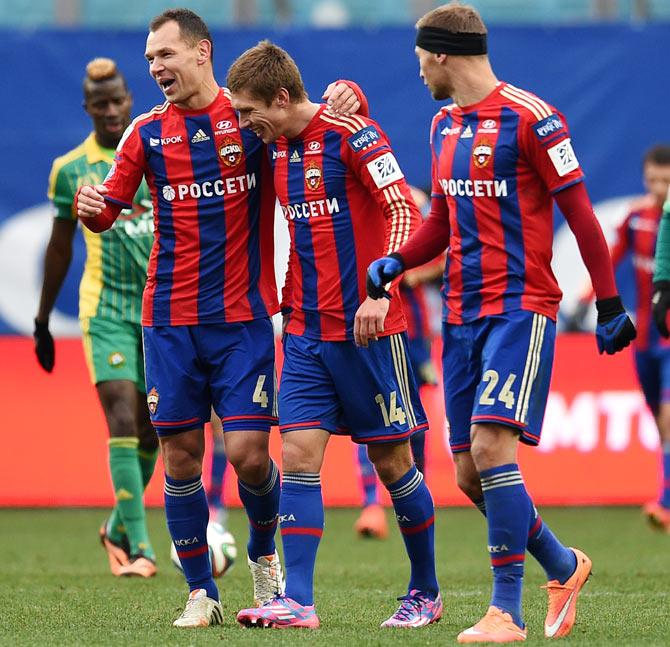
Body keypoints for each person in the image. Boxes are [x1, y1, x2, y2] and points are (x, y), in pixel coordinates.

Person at [75, 9, 362, 628]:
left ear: (201, 52)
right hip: (169, 322)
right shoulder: (147, 132)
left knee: (249, 454)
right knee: (179, 457)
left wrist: (351, 94)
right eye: (150, 59)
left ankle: (263, 562)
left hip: (242, 321)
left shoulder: (250, 116)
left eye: (166, 56)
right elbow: (107, 209)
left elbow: (310, 121)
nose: (156, 69)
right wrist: (89, 204)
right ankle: (201, 592)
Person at [366, 2, 636, 642]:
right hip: (458, 314)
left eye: (419, 59)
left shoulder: (533, 120)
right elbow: (441, 222)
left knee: (492, 450)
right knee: (466, 473)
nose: (419, 72)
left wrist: (608, 301)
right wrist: (399, 260)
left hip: (520, 309)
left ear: (439, 55)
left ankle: (505, 611)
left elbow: (582, 215)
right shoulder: (441, 124)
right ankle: (565, 566)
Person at [228, 40, 441, 630]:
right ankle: (297, 599)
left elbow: (405, 211)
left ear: (280, 97)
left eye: (251, 113)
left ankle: (425, 590)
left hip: (371, 331)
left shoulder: (355, 134)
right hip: (302, 330)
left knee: (393, 460)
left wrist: (382, 289)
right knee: (296, 455)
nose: (247, 126)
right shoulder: (273, 150)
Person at [34, 58, 158, 578]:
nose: (111, 111)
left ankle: (115, 526)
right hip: (105, 309)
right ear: (87, 107)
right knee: (123, 419)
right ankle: (143, 551)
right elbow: (60, 249)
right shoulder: (71, 169)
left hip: (157, 309)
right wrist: (42, 321)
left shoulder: (156, 153)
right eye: (99, 103)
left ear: (130, 99)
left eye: (118, 100)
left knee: (155, 433)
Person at [573, 145, 670, 531]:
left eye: (666, 180)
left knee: (667, 415)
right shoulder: (636, 218)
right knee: (656, 415)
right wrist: (585, 295)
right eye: (653, 180)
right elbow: (610, 255)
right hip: (645, 334)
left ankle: (664, 499)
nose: (659, 187)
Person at [354, 186, 441, 540]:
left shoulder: (416, 202)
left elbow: (444, 249)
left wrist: (411, 273)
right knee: (367, 413)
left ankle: (419, 496)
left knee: (414, 418)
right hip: (372, 324)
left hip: (412, 330)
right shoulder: (358, 196)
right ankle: (371, 504)